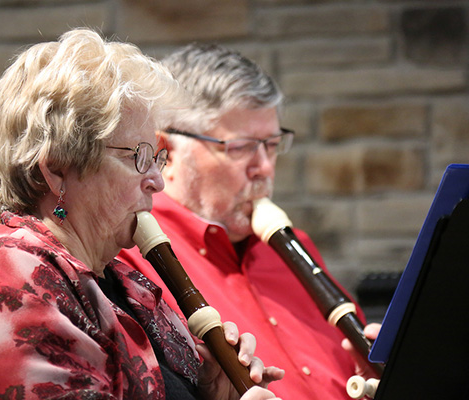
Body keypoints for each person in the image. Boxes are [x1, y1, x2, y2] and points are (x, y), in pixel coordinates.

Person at [0, 30, 284, 400]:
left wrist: (211, 392)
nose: (158, 182)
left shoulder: (126, 284)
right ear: (57, 169)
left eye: (157, 157)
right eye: (139, 158)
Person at [118, 43, 380, 400]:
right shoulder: (132, 250)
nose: (265, 168)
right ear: (166, 152)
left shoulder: (292, 245)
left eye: (271, 145)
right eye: (240, 147)